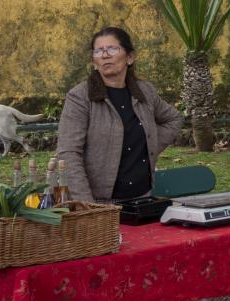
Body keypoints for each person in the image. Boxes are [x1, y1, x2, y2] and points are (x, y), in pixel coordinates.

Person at [57, 27, 183, 203]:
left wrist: (149, 145)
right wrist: (87, 206)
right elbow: (68, 153)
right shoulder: (80, 97)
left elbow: (173, 119)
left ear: (130, 57)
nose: (105, 55)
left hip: (143, 199)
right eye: (98, 51)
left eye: (112, 49)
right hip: (100, 204)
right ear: (94, 61)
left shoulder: (145, 92)